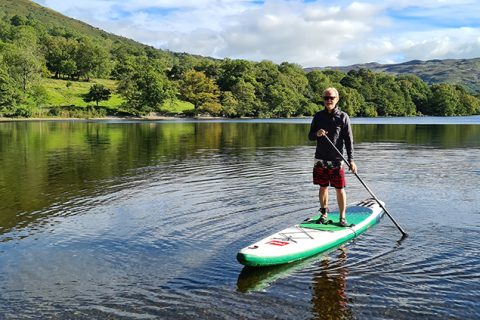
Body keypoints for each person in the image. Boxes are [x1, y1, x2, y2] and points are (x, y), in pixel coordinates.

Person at [308, 87, 357, 227]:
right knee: (323, 187)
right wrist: (317, 133)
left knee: (339, 188)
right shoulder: (318, 116)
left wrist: (351, 160)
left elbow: (349, 140)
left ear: (337, 99)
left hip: (336, 160)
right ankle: (323, 214)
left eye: (331, 98)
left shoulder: (343, 117)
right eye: (326, 98)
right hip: (320, 160)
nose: (329, 100)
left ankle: (342, 218)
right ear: (323, 99)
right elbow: (310, 136)